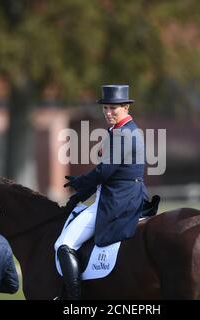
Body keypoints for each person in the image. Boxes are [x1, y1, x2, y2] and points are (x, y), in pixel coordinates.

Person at [55, 84, 150, 300]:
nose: (108, 113)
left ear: (125, 107)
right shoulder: (121, 130)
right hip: (125, 194)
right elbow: (108, 173)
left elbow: (104, 171)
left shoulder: (123, 134)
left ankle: (74, 300)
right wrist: (80, 194)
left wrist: (79, 184)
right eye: (105, 108)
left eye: (113, 108)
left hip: (118, 200)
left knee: (64, 243)